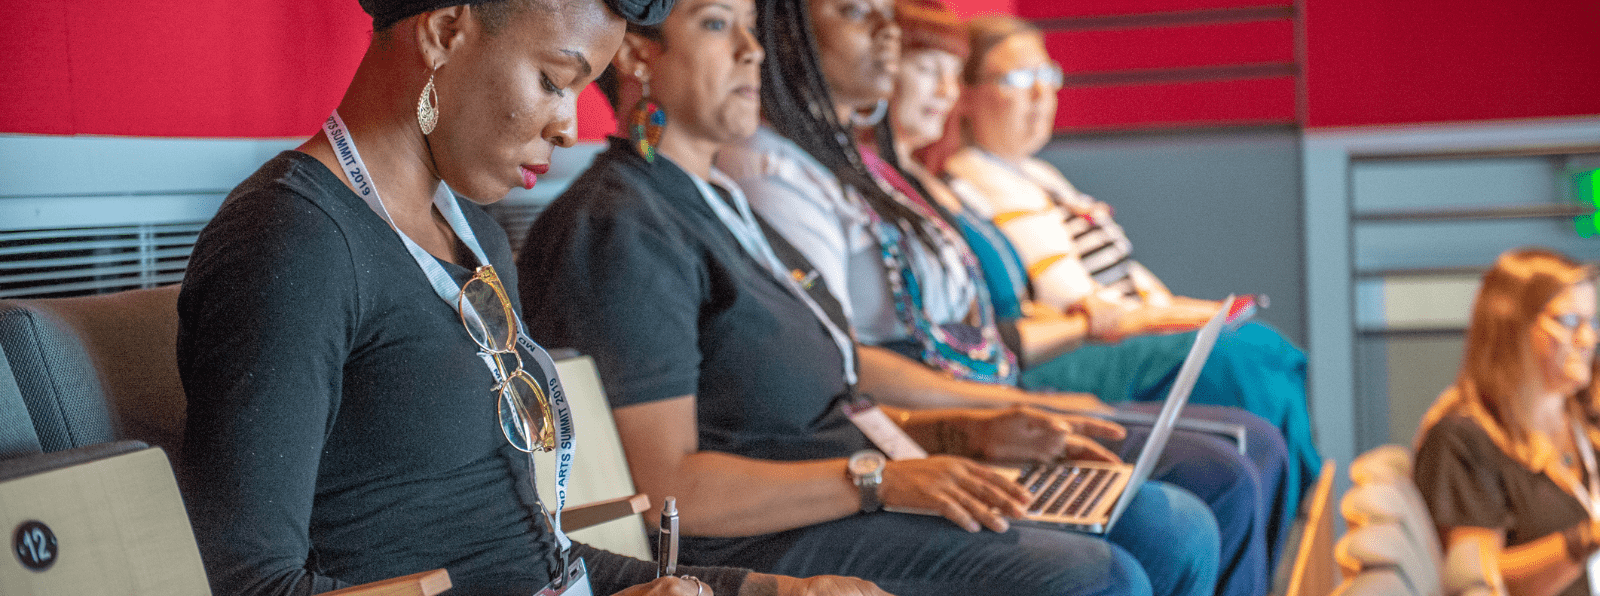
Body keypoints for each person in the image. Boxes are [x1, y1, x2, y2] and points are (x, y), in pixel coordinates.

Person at [175, 1, 880, 595]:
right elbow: (253, 586)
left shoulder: (473, 234)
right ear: (446, 32)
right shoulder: (292, 241)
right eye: (552, 80)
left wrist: (756, 588)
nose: (570, 126)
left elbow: (522, 554)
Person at [518, 0, 1220, 594]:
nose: (751, 50)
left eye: (752, 26)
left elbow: (838, 371)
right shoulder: (619, 225)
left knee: (1170, 523)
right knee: (1104, 571)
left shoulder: (717, 200)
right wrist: (880, 478)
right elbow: (668, 488)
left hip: (854, 488)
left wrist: (962, 432)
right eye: (716, 25)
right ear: (637, 53)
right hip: (765, 540)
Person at [852, 2, 1293, 593]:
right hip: (972, 395)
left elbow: (977, 325)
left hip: (991, 381)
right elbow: (897, 351)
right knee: (1202, 489)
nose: (944, 90)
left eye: (949, 72)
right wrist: (1002, 400)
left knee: (1244, 438)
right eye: (924, 67)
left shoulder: (919, 186)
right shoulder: (899, 186)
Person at [936, 13, 1321, 528]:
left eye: (1048, 76)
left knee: (1258, 342)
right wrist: (1183, 318)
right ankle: (1298, 513)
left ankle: (1301, 507)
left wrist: (1190, 312)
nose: (1040, 97)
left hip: (1120, 321)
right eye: (1017, 80)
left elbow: (1126, 276)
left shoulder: (1038, 173)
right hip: (1082, 344)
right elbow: (1083, 301)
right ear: (966, 95)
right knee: (1245, 354)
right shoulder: (975, 179)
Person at [1413, 247, 1600, 596]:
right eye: (1570, 322)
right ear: (1512, 326)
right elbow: (1476, 578)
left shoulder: (1586, 420)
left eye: (1593, 322)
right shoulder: (1463, 439)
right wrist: (1586, 539)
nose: (1588, 339)